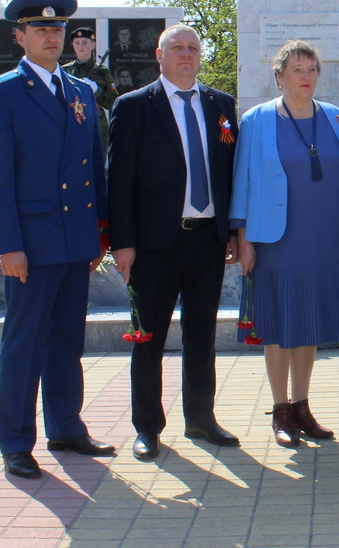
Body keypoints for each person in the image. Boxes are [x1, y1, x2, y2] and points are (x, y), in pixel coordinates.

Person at [0, 0, 113, 479]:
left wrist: (100, 233)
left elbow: (93, 167)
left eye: (57, 28)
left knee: (66, 340)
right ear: (20, 36)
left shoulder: (79, 92)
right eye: (41, 29)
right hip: (30, 244)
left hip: (75, 239)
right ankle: (15, 440)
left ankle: (66, 426)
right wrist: (8, 245)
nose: (51, 36)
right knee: (25, 342)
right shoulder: (1, 93)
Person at [108, 24, 240, 461]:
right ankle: (148, 427)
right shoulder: (132, 107)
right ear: (159, 55)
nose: (186, 54)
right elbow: (119, 180)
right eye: (177, 48)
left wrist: (235, 232)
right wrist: (122, 243)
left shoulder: (221, 105)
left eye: (193, 48)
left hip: (207, 241)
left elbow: (229, 174)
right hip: (153, 245)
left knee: (202, 336)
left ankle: (201, 418)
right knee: (149, 337)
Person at [230, 40, 339, 448]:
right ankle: (281, 409)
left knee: (309, 325)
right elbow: (244, 182)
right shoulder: (257, 120)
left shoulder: (337, 117)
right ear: (279, 76)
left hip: (322, 238)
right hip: (276, 238)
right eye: (296, 70)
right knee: (280, 325)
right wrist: (244, 241)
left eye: (311, 69)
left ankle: (303, 405)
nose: (305, 77)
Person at [64, 27, 118, 154]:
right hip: (73, 122)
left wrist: (96, 90)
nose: (80, 46)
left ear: (93, 44)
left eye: (85, 42)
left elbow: (112, 102)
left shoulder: (103, 71)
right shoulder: (66, 71)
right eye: (77, 43)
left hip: (97, 123)